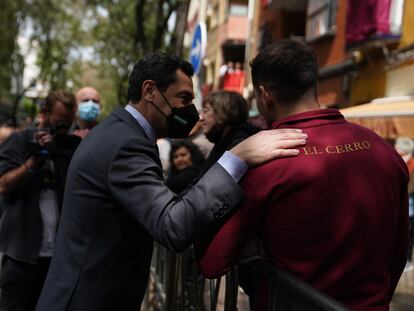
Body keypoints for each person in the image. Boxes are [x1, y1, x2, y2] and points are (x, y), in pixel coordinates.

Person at [35, 52, 307, 311]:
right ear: (150, 91)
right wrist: (237, 158)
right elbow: (172, 224)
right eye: (183, 98)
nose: (191, 111)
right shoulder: (126, 144)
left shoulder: (121, 132)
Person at [195, 40, 409, 311]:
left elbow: (212, 261)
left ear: (264, 95)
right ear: (313, 84)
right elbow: (400, 248)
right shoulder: (383, 150)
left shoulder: (265, 165)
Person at [0, 91, 79, 311]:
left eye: (68, 124)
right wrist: (34, 162)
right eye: (58, 122)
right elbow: (4, 184)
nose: (63, 128)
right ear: (43, 114)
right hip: (21, 258)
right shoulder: (20, 140)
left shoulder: (66, 148)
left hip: (57, 261)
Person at [199, 90, 259, 174]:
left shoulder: (238, 145)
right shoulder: (223, 142)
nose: (200, 117)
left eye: (205, 111)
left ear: (223, 112)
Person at [394, 136, 414, 267]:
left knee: (408, 231)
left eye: (397, 147)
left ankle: (407, 260)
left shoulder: (411, 163)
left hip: (410, 204)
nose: (395, 148)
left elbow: (410, 186)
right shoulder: (399, 161)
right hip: (402, 202)